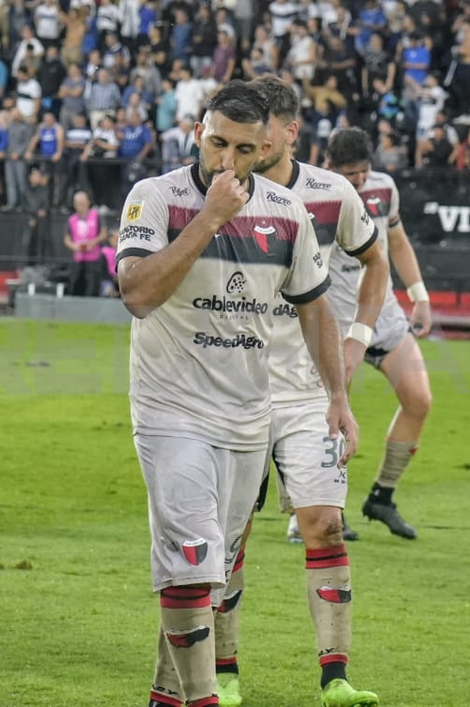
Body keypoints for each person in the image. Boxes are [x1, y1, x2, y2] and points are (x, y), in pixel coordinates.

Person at [116, 80, 358, 707]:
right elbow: (138, 293)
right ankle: (205, 700)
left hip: (250, 414)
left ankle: (168, 696)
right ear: (199, 129)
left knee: (209, 575)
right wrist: (211, 217)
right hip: (172, 408)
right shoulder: (155, 197)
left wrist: (338, 395)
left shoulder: (286, 210)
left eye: (243, 149)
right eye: (217, 142)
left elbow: (313, 309)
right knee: (193, 558)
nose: (227, 161)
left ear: (266, 146)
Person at [210, 76, 385, 707]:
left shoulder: (331, 194)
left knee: (325, 526)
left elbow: (377, 260)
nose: (276, 137)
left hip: (308, 391)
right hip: (233, 389)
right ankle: (224, 673)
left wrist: (358, 342)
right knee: (229, 537)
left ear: (286, 132)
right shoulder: (216, 193)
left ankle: (335, 678)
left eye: (281, 127)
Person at [324, 127, 434, 540]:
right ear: (329, 166)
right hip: (332, 321)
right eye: (349, 174)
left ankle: (381, 497)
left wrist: (419, 295)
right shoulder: (313, 193)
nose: (357, 181)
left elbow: (398, 241)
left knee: (419, 400)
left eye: (363, 172)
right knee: (326, 418)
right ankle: (312, 512)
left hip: (382, 315)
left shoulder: (384, 188)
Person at [64, 189, 105, 297]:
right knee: (75, 284)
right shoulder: (71, 219)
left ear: (88, 202)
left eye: (82, 203)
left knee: (92, 286)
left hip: (93, 257)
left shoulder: (96, 216)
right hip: (78, 257)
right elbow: (67, 238)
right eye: (77, 203)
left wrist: (93, 242)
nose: (80, 206)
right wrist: (74, 246)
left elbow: (103, 233)